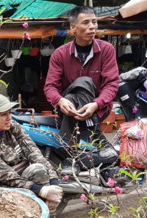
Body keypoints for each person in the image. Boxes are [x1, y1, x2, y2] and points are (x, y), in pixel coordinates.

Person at [43, 6, 120, 153]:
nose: (92, 27)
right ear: (73, 27)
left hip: (98, 108)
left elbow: (112, 83)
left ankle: (66, 152)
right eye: (86, 22)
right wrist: (61, 101)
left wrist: (96, 104)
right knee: (74, 94)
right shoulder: (60, 54)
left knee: (84, 82)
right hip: (67, 109)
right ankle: (95, 135)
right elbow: (50, 87)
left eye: (94, 22)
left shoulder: (107, 49)